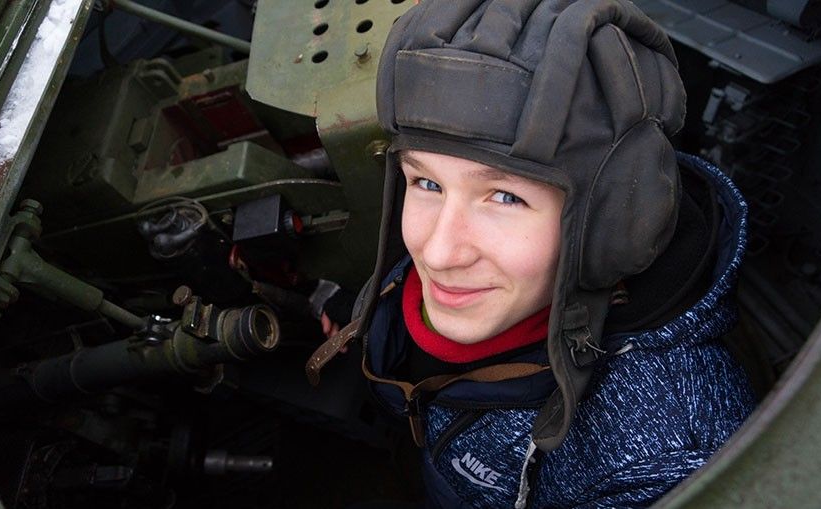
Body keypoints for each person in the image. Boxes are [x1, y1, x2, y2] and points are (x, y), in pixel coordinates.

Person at [310, 1, 755, 507]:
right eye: (427, 183)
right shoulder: (482, 273)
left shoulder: (656, 461)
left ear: (608, 225)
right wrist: (367, 316)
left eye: (505, 197)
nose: (437, 251)